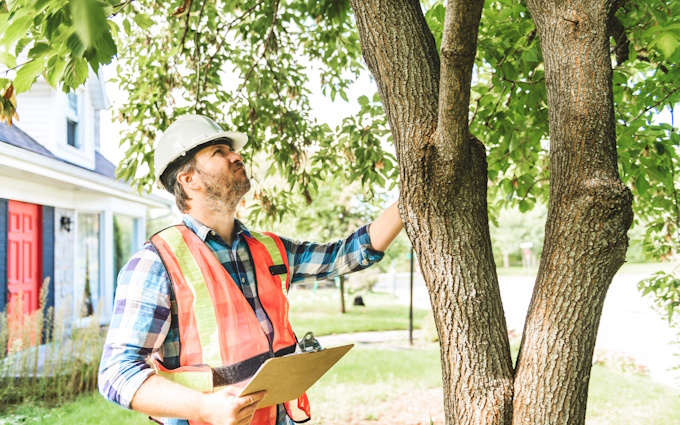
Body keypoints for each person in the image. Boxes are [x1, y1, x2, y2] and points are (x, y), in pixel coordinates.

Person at [98, 114, 404, 425]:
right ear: (188, 180)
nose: (236, 155)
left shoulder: (268, 249)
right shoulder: (157, 263)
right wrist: (204, 408)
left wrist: (408, 202)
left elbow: (345, 255)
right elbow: (116, 373)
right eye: (219, 152)